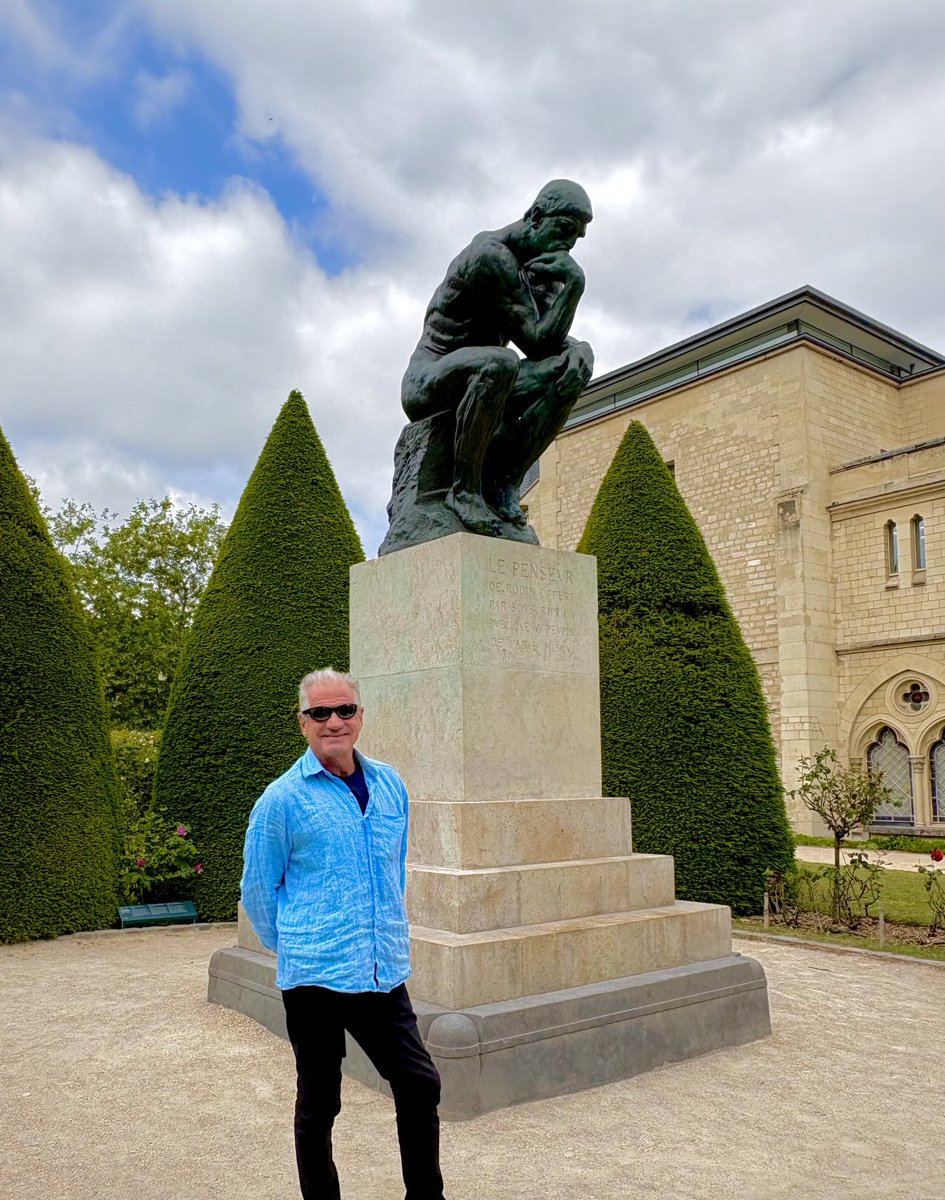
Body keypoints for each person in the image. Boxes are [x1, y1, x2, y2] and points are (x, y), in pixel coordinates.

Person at [241, 668, 445, 1200]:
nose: (334, 722)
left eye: (344, 711)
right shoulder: (280, 801)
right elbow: (259, 890)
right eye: (320, 713)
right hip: (314, 977)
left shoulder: (390, 784)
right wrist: (300, 946)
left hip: (382, 970)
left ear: (360, 715)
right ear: (303, 722)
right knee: (319, 1103)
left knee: (420, 1084)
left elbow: (393, 867)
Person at [400, 178, 595, 538]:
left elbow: (547, 340)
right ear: (536, 217)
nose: (568, 244)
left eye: (576, 238)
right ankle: (464, 492)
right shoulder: (490, 255)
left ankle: (506, 483)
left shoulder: (546, 267)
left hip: (488, 378)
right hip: (429, 381)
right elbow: (536, 341)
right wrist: (575, 286)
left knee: (575, 365)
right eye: (564, 230)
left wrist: (578, 349)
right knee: (501, 361)